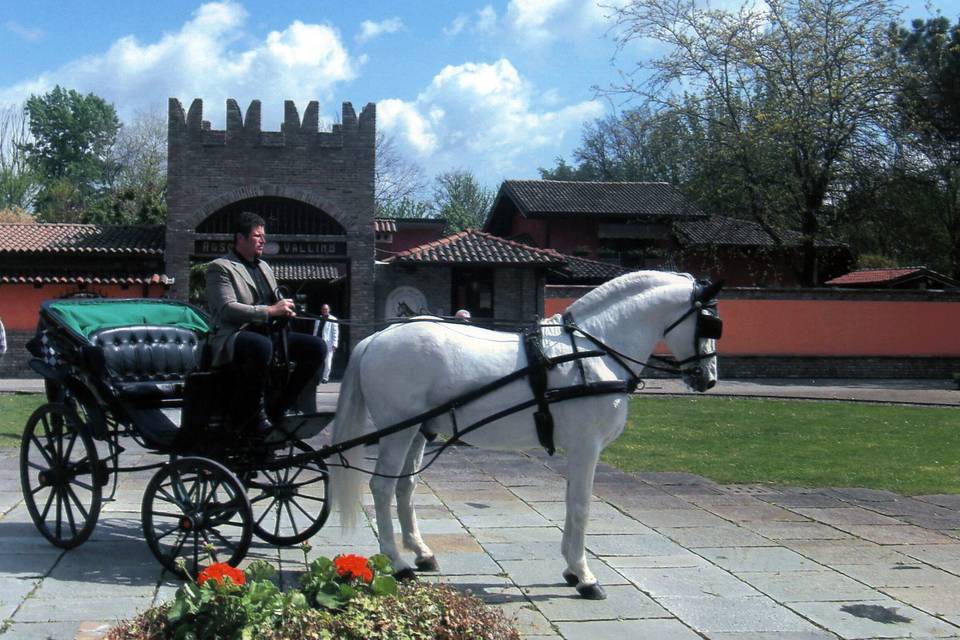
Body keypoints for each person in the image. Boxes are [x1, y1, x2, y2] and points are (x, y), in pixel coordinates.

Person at [206, 212, 326, 434]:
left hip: (269, 333)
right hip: (234, 335)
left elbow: (274, 303)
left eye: (264, 236)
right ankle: (253, 412)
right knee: (261, 346)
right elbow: (226, 309)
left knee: (317, 347)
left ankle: (280, 408)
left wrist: (284, 310)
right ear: (239, 238)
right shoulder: (220, 267)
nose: (263, 240)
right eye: (257, 235)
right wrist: (270, 310)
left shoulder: (265, 267)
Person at [318, 303, 338, 383]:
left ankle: (325, 378)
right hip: (318, 341)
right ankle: (317, 376)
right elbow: (316, 330)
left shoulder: (333, 319)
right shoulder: (318, 318)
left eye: (326, 309)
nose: (324, 310)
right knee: (318, 360)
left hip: (328, 343)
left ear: (329, 310)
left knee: (328, 361)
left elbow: (335, 333)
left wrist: (334, 344)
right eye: (323, 309)